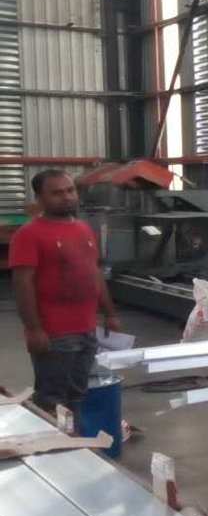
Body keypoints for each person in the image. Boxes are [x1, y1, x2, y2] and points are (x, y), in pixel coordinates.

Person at [11, 169, 121, 418]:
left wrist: (110, 313)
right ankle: (51, 440)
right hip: (54, 333)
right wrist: (34, 329)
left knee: (77, 394)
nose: (67, 197)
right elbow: (22, 284)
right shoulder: (29, 234)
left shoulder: (83, 229)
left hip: (86, 329)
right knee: (51, 399)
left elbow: (94, 273)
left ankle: (73, 438)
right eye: (57, 193)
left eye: (70, 190)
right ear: (40, 198)